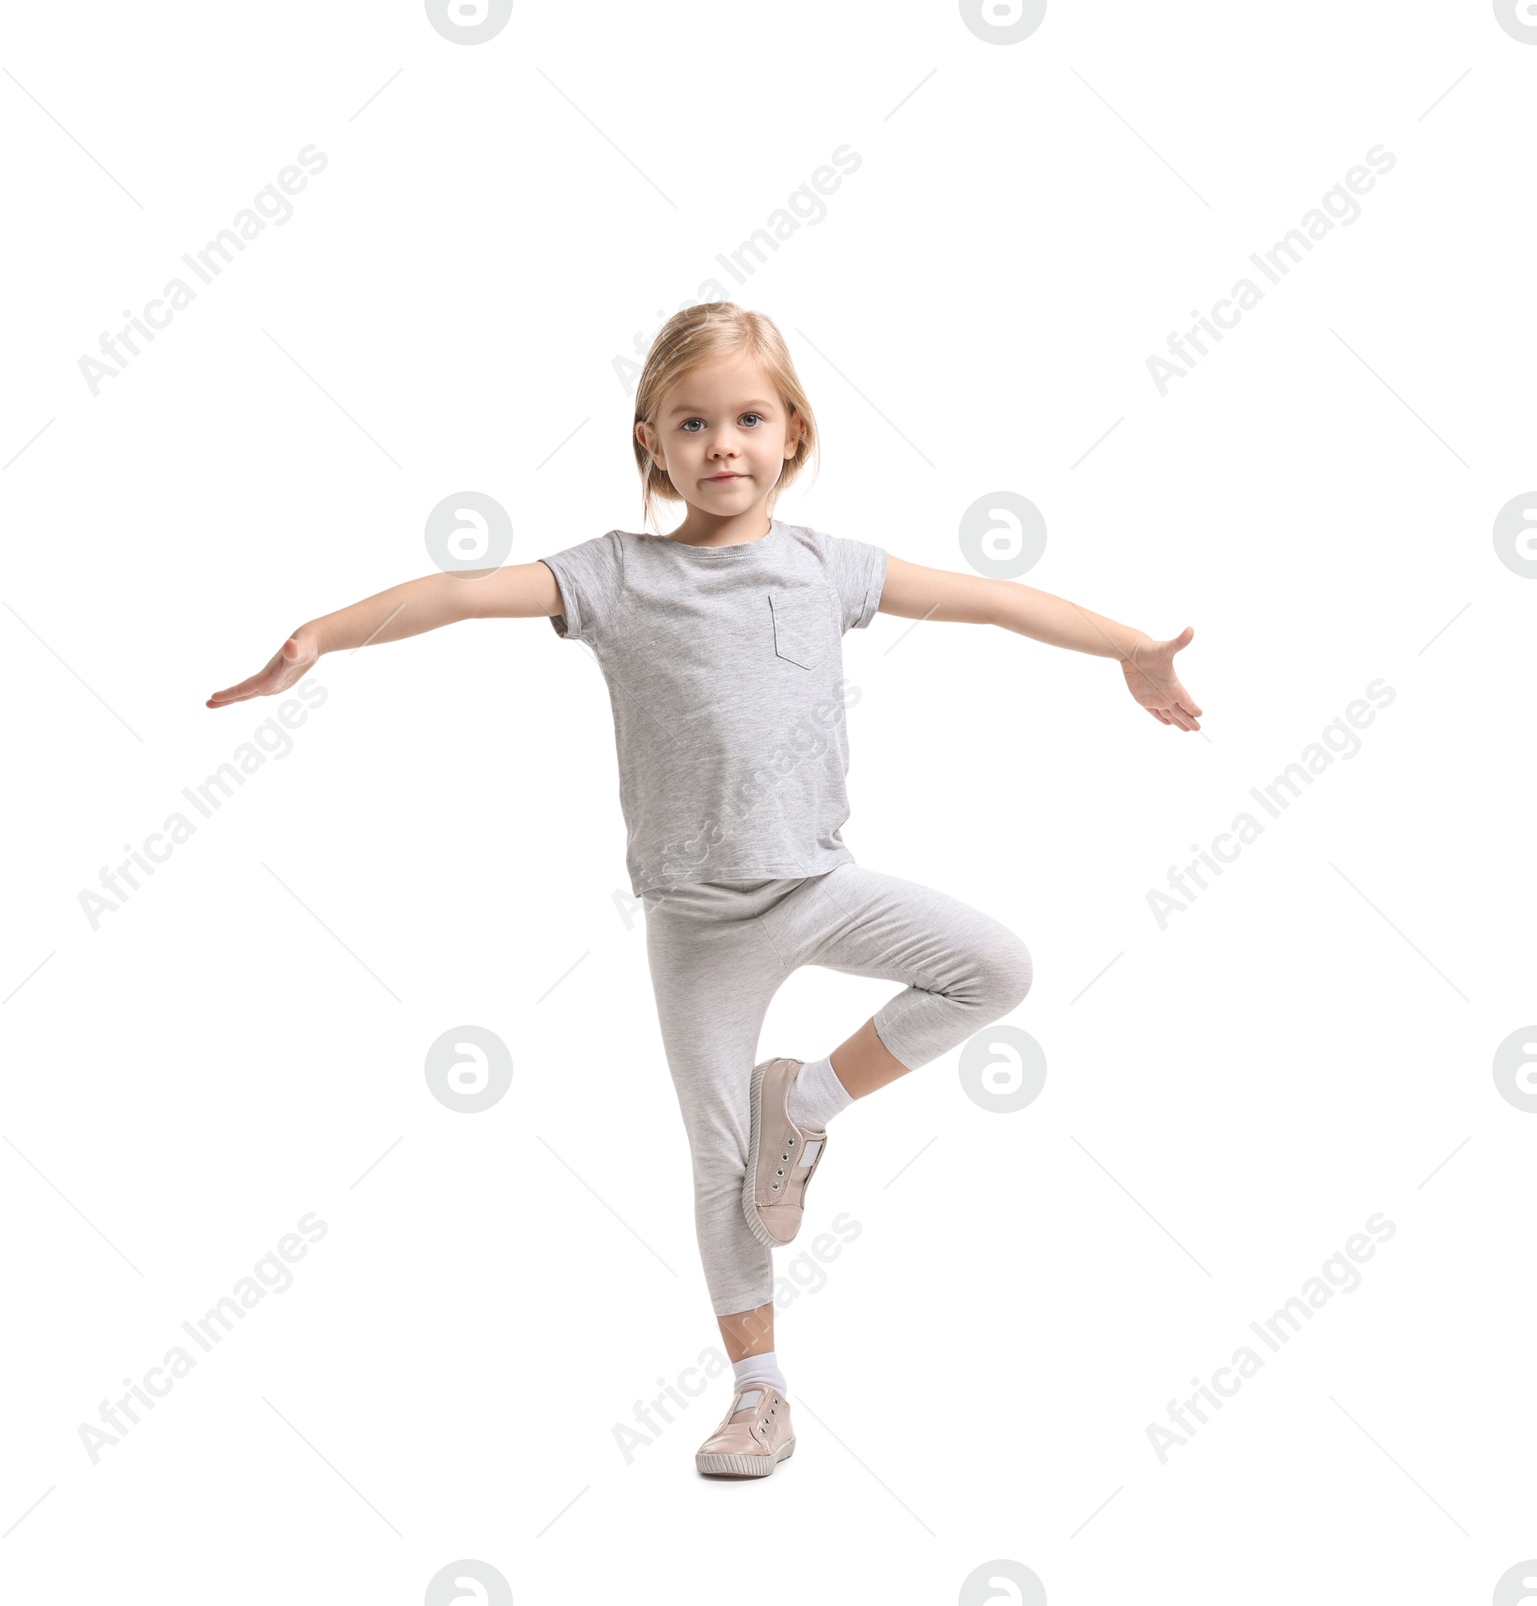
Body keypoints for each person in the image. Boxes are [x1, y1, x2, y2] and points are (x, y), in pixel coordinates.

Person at [206, 301, 1202, 1479]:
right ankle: (759, 1395)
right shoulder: (617, 577)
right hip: (696, 919)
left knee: (995, 965)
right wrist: (322, 634)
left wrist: (1129, 646)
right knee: (720, 1168)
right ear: (652, 445)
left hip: (817, 885)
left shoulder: (831, 568)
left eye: (746, 418)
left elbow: (991, 596)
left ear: (792, 434)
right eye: (692, 423)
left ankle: (814, 1101)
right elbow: (467, 592)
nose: (721, 443)